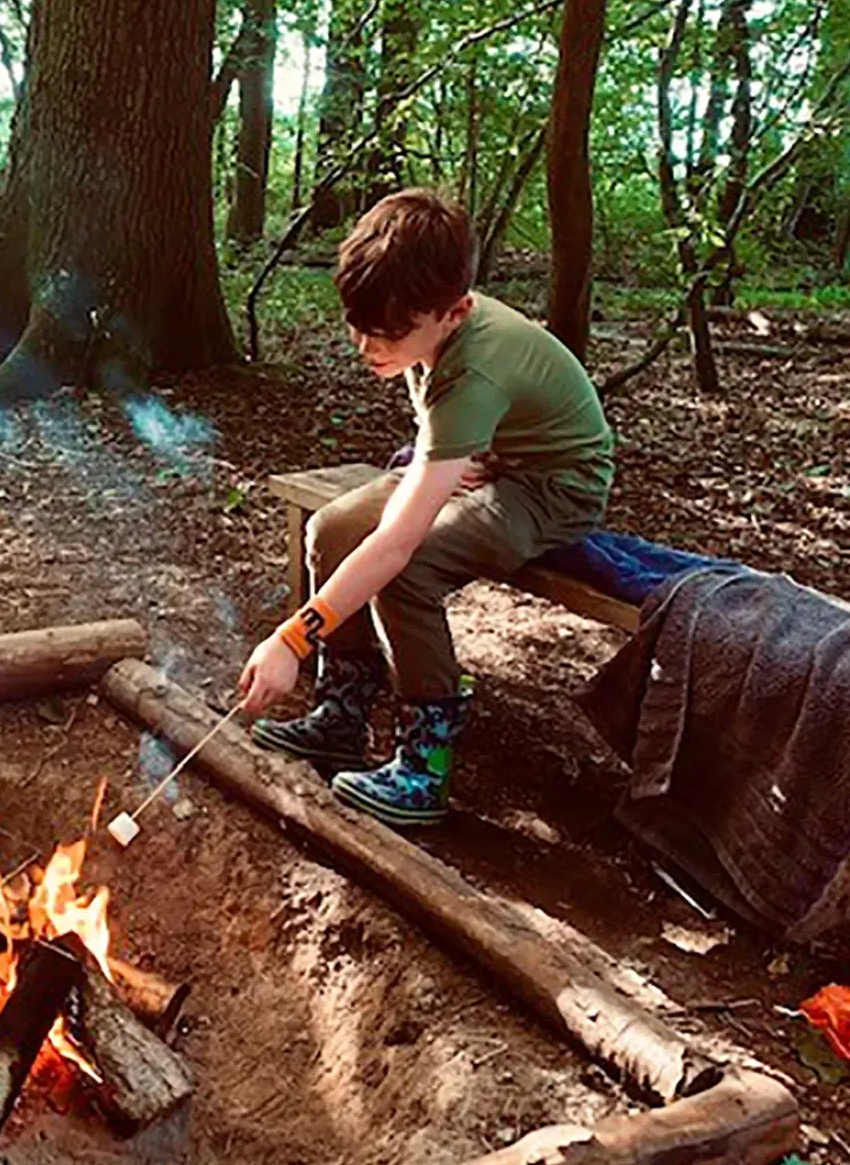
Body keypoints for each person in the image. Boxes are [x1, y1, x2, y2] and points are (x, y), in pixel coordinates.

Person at [237, 188, 614, 827]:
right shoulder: (426, 322)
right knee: (332, 528)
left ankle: (425, 765)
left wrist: (292, 638)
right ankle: (344, 712)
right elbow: (440, 440)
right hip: (489, 460)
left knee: (405, 570)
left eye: (386, 333)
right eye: (358, 326)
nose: (365, 346)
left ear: (455, 311)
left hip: (553, 486)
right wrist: (459, 458)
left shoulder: (474, 370)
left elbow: (397, 546)